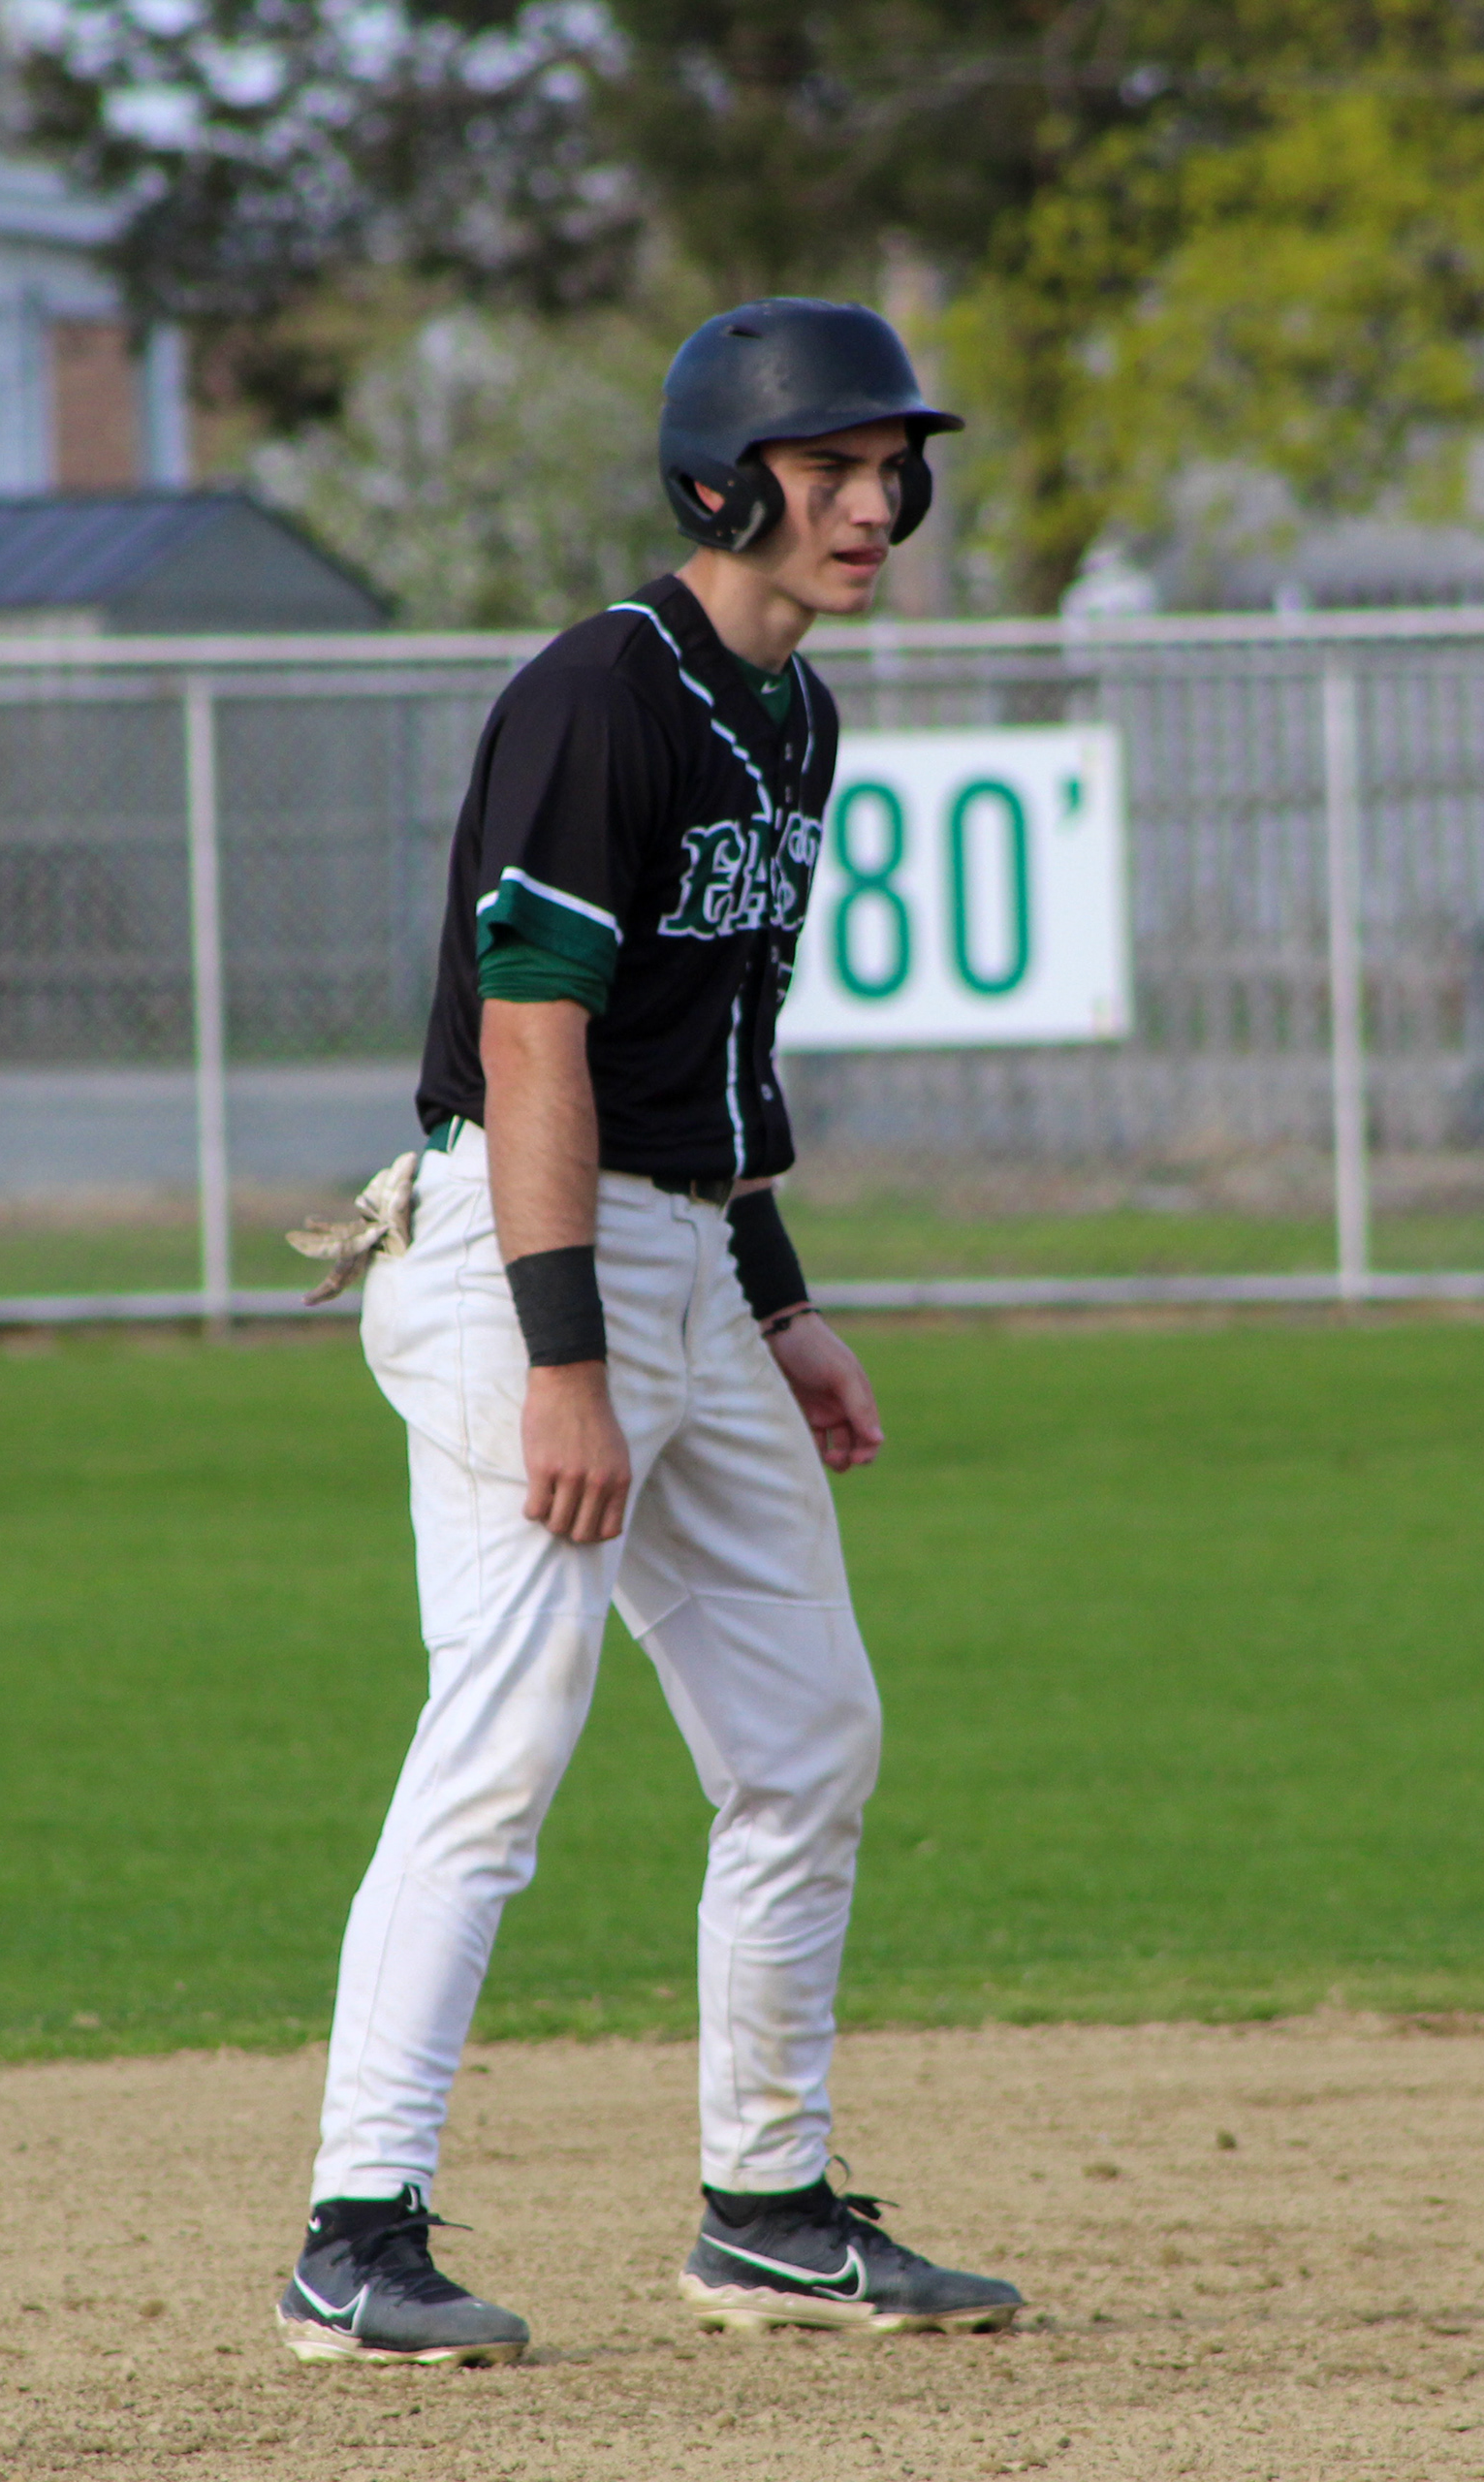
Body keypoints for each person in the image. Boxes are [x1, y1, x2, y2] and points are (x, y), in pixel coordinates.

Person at [273, 300, 1026, 2366]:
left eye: (890, 469)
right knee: (503, 1740)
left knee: (806, 1737)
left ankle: (767, 2210)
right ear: (720, 482)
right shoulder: (600, 694)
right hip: (519, 1257)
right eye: (829, 465)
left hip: (685, 1249)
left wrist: (781, 1304)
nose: (872, 502)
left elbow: (708, 1059)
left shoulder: (795, 715)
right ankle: (355, 2229)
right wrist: (568, 1362)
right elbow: (536, 1046)